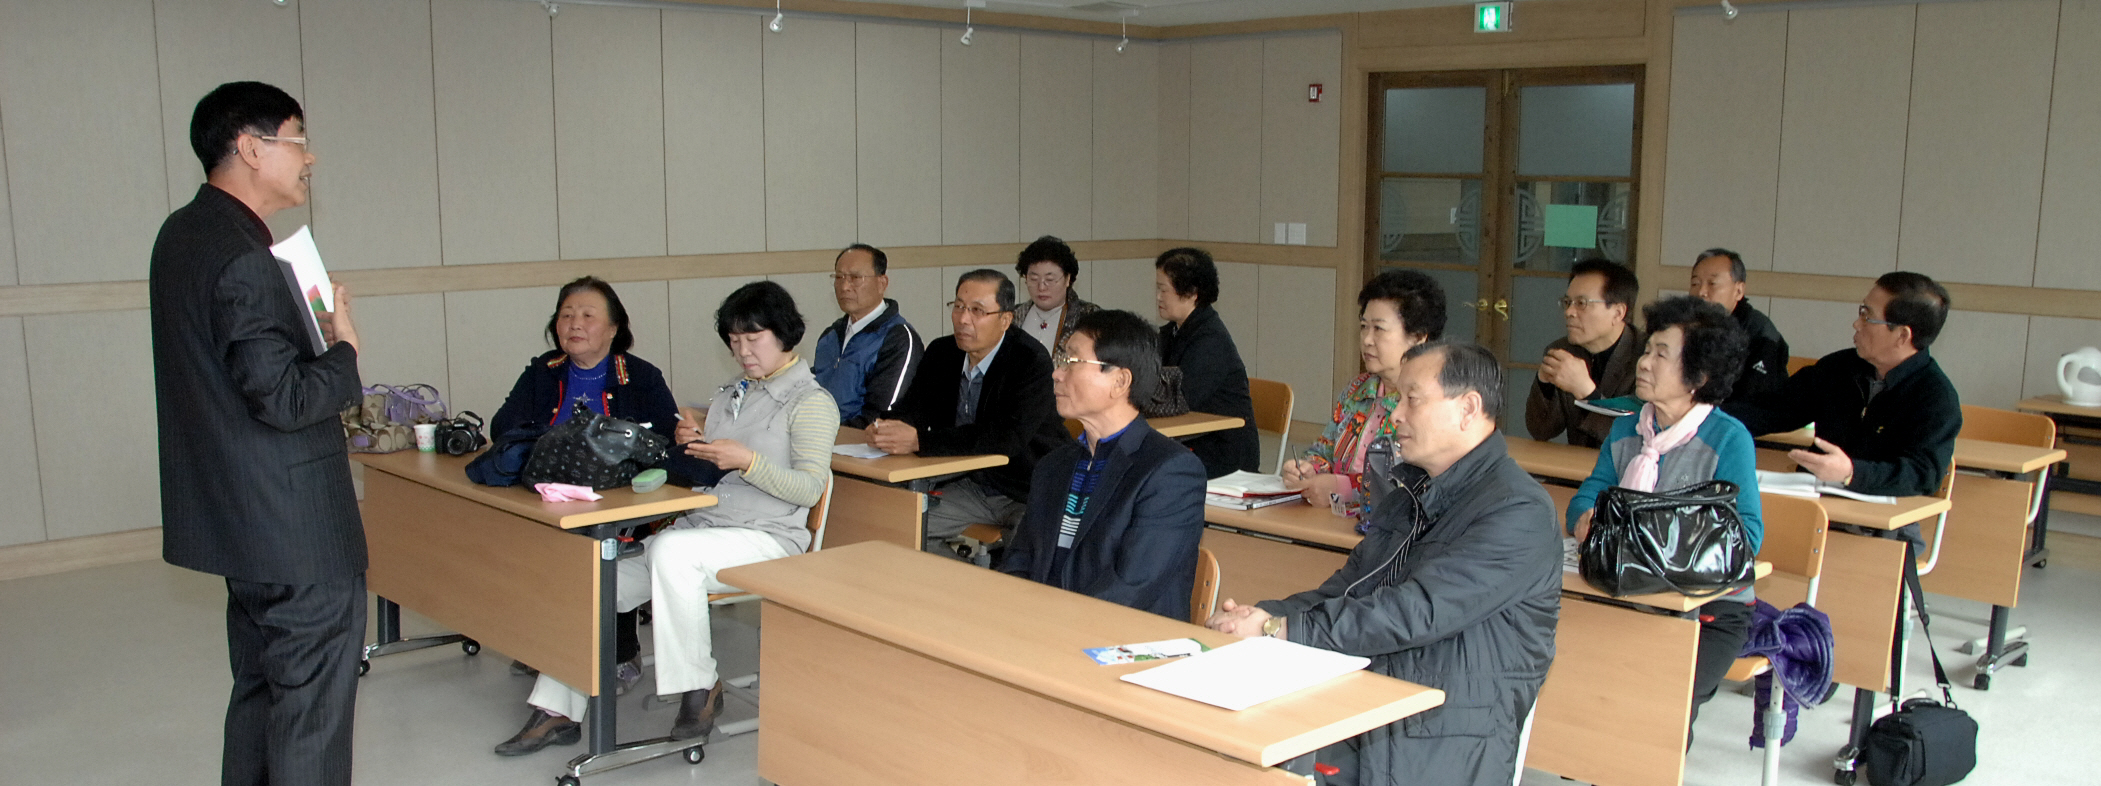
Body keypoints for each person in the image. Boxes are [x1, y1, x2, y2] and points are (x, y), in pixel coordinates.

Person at [497, 282, 840, 754]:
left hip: (769, 537)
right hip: (705, 530)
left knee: (673, 552)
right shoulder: (733, 395)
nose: (742, 351)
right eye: (734, 341)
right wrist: (692, 446)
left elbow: (809, 488)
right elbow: (707, 476)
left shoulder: (811, 401)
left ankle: (700, 687)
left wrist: (747, 461)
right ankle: (558, 708)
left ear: (784, 335)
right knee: (594, 577)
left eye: (753, 339)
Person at [1209, 341, 1559, 786]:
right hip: (1373, 708)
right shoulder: (1407, 496)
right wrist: (1263, 615)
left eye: (1412, 399)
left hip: (1445, 735)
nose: (1396, 416)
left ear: (1468, 408)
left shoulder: (1518, 511)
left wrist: (1281, 630)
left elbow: (1417, 611)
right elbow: (1345, 590)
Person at [150, 81, 366, 786]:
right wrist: (344, 350)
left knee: (261, 693)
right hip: (293, 528)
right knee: (309, 714)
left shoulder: (184, 234)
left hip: (239, 520)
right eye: (298, 140)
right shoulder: (245, 256)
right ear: (250, 148)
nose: (310, 158)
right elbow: (284, 397)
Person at [487, 276, 708, 689]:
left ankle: (621, 650)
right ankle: (547, 644)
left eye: (588, 316)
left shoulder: (639, 376)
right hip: (551, 496)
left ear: (613, 328)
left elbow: (665, 441)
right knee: (521, 539)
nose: (574, 324)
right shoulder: (543, 371)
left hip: (621, 499)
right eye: (566, 315)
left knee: (602, 541)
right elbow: (503, 427)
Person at [1565, 296, 1763, 741]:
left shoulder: (1728, 439)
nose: (1644, 362)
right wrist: (1585, 516)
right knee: (1587, 689)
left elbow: (1747, 535)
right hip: (1624, 591)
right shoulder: (1627, 426)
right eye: (1646, 350)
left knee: (1657, 707)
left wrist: (1655, 538)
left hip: (1710, 609)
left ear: (1700, 376)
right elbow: (1592, 492)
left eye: (1661, 354)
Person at [1725, 272, 1961, 550]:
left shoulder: (1936, 397)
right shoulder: (1838, 369)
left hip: (1882, 529)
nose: (1856, 323)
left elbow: (1923, 474)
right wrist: (1704, 416)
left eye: (1867, 316)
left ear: (1902, 335)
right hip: (1816, 508)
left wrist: (1851, 472)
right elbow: (1772, 409)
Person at [1000, 310, 1207, 619]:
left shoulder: (1171, 472)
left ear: (1120, 381)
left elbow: (1131, 587)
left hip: (1121, 635)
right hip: (1045, 625)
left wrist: (1053, 622)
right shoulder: (1054, 465)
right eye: (1060, 360)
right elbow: (1019, 561)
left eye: (1071, 361)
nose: (1057, 373)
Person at [867, 270, 1069, 561]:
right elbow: (914, 408)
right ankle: (961, 581)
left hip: (1027, 488)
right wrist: (885, 426)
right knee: (898, 529)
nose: (963, 319)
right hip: (970, 485)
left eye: (977, 311)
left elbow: (1006, 437)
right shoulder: (942, 352)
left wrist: (920, 442)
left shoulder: (1030, 361)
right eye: (959, 306)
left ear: (1005, 319)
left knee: (1028, 559)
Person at [1280, 269, 1446, 517]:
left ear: (1419, 337)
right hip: (1333, 520)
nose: (1367, 340)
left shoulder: (1435, 401)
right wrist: (1307, 470)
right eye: (1364, 327)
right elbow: (1323, 450)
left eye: (1379, 329)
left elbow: (1421, 484)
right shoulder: (1357, 390)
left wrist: (1344, 488)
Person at [1155, 247, 1260, 478]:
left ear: (1192, 293)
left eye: (1164, 290)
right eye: (1157, 289)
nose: (1158, 297)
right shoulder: (1174, 332)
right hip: (1194, 441)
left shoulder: (1211, 340)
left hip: (1222, 451)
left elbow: (1177, 399)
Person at [1527, 258, 1642, 448]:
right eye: (1567, 302)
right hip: (1575, 465)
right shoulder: (1563, 351)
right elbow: (1541, 431)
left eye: (1581, 303)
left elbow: (1635, 440)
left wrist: (1586, 392)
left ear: (1618, 313)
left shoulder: (1647, 357)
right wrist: (1544, 385)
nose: (1569, 312)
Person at [812, 243, 924, 427]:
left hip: (860, 441)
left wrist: (824, 433)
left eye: (855, 278)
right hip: (820, 437)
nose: (844, 286)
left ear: (882, 283)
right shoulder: (830, 335)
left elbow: (882, 416)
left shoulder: (898, 338)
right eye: (839, 277)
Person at [1687, 248, 1789, 405]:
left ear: (1739, 291)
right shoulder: (1682, 327)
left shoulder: (1760, 333)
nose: (1701, 292)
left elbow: (1756, 400)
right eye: (1695, 283)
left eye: (1712, 283)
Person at [1012, 234, 1101, 354]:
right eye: (1034, 279)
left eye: (1050, 280)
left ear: (1068, 279)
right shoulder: (1012, 317)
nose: (1041, 287)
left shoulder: (1089, 317)